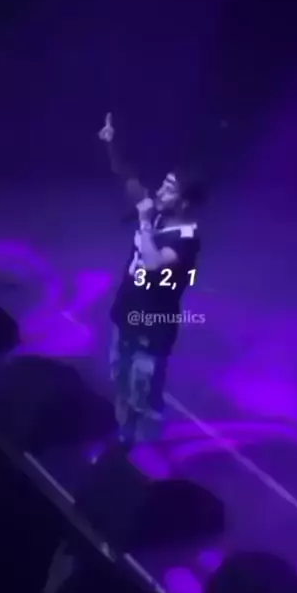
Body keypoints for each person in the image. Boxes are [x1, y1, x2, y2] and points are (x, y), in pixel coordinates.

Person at [98, 112, 205, 447]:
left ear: (184, 202)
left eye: (169, 189)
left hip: (152, 327)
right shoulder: (156, 210)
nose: (160, 191)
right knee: (120, 381)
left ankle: (145, 454)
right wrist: (111, 143)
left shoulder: (187, 239)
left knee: (144, 394)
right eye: (163, 184)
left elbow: (155, 263)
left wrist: (144, 223)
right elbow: (128, 178)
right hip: (126, 312)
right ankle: (122, 440)